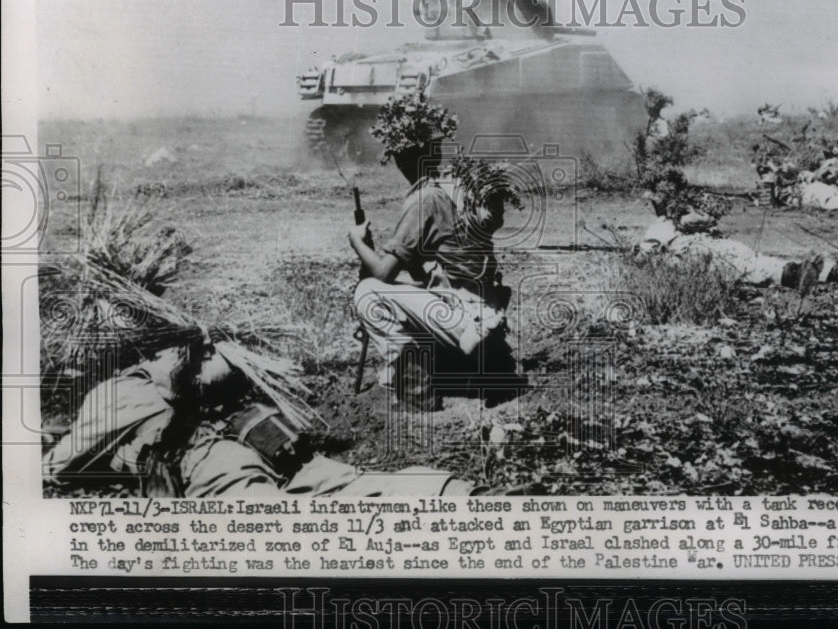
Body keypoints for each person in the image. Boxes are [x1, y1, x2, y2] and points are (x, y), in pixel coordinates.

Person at [44, 341, 474, 497]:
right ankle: (458, 494)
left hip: (213, 465)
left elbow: (61, 468)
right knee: (358, 484)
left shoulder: (120, 391)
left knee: (273, 526)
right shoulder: (205, 365)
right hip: (275, 446)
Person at [349, 141, 513, 407]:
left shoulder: (425, 200)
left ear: (400, 160)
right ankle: (459, 364)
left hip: (463, 317)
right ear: (435, 152)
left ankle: (417, 389)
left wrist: (357, 241)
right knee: (409, 283)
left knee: (368, 293)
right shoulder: (454, 188)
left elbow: (382, 274)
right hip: (485, 311)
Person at [638, 214, 836, 291]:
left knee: (752, 266)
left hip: (706, 250)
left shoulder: (665, 225)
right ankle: (803, 272)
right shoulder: (669, 224)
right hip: (710, 249)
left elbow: (643, 258)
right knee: (754, 264)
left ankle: (804, 272)